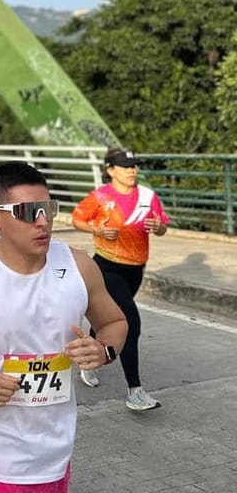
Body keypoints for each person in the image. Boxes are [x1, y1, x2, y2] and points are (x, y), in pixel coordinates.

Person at [0, 161, 128, 493]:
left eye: (48, 209)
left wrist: (103, 351)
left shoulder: (79, 266)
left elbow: (114, 322)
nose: (42, 222)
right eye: (28, 212)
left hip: (57, 450)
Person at [71, 148, 169, 410]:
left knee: (107, 317)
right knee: (130, 323)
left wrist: (158, 227)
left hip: (135, 268)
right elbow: (77, 219)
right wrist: (97, 229)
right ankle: (135, 392)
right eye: (126, 166)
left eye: (134, 165)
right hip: (107, 266)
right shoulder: (101, 196)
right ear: (111, 170)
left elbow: (162, 226)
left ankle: (89, 359)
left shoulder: (147, 196)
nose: (132, 170)